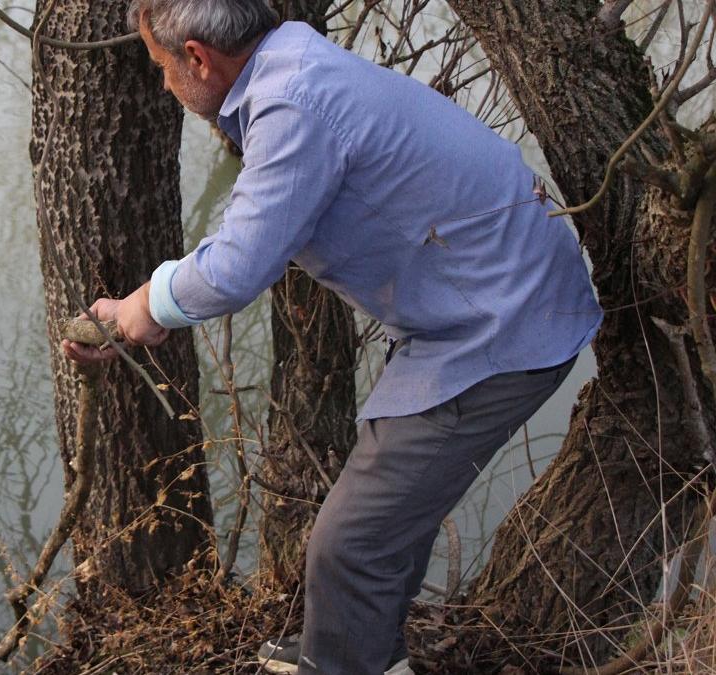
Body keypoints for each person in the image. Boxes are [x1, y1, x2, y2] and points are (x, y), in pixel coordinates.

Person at [62, 0, 602, 673]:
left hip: (502, 324)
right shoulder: (294, 62)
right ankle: (354, 649)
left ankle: (346, 661)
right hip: (484, 302)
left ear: (198, 57)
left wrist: (147, 303)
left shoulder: (291, 102)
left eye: (164, 68)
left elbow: (235, 267)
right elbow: (261, 231)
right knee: (376, 524)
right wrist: (158, 312)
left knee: (353, 541)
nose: (167, 86)